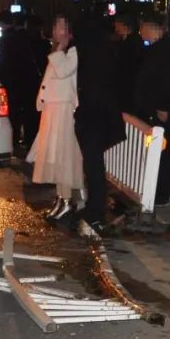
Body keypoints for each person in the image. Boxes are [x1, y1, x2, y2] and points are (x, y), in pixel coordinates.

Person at [74, 16, 126, 231]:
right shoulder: (105, 52)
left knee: (94, 167)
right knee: (94, 166)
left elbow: (95, 91)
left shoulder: (93, 56)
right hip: (100, 118)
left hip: (95, 118)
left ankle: (96, 210)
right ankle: (95, 207)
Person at [28, 14, 82, 220]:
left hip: (64, 110)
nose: (57, 30)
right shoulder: (58, 51)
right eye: (56, 25)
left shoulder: (72, 51)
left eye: (62, 25)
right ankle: (61, 198)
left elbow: (63, 72)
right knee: (55, 157)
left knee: (64, 156)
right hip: (53, 110)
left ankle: (67, 200)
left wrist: (59, 49)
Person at [131, 13, 170, 206]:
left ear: (152, 28)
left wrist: (163, 107)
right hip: (154, 109)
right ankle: (154, 190)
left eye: (142, 28)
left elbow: (169, 81)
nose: (140, 33)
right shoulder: (158, 48)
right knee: (156, 152)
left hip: (164, 110)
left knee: (164, 152)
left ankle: (162, 193)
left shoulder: (167, 50)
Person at [0, 13, 38, 151]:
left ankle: (13, 140)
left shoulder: (5, 40)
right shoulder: (29, 39)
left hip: (11, 81)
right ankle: (30, 141)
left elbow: (1, 63)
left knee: (13, 112)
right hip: (29, 81)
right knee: (29, 112)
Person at [23, 15, 51, 147]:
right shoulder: (45, 45)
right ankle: (37, 140)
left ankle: (29, 141)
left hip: (27, 81)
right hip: (41, 82)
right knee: (38, 113)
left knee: (29, 112)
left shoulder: (25, 44)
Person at [114, 12, 144, 113]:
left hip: (131, 86)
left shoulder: (134, 41)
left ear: (125, 25)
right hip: (122, 85)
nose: (116, 28)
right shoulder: (121, 41)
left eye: (118, 25)